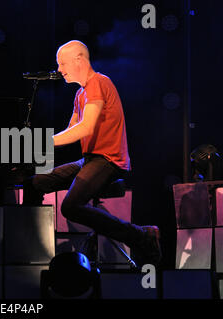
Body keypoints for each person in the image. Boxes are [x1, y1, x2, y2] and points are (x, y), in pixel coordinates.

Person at [23, 40, 161, 266]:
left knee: (70, 206)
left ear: (79, 59)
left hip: (108, 159)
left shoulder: (98, 82)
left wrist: (42, 142)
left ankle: (140, 235)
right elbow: (72, 131)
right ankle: (31, 243)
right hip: (89, 160)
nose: (59, 70)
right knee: (35, 182)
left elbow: (85, 128)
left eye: (62, 63)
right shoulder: (80, 94)